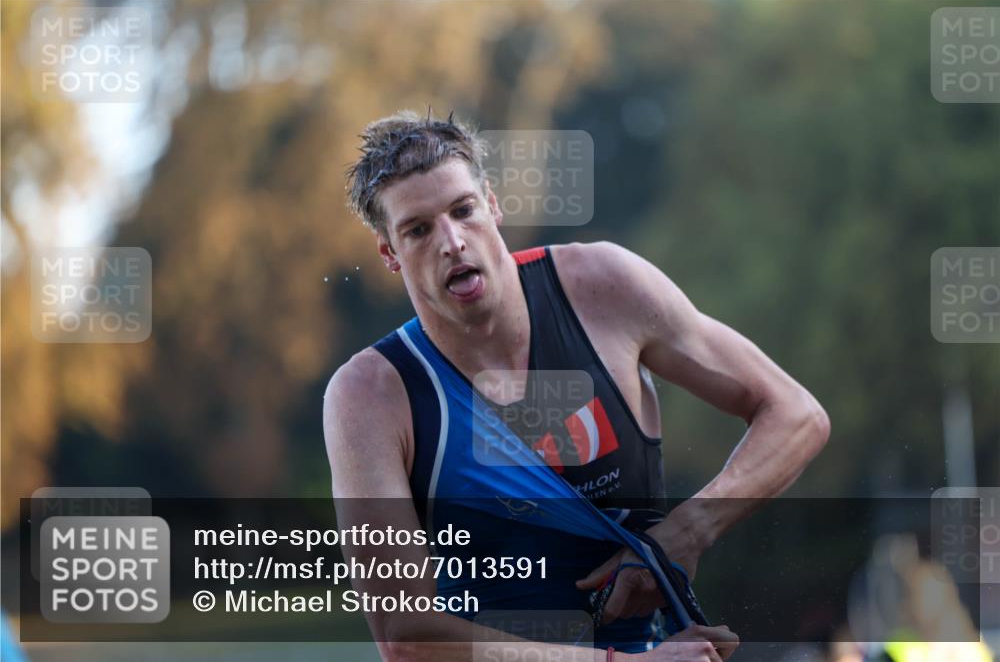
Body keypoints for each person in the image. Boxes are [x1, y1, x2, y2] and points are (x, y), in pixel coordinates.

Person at [323, 109, 830, 662]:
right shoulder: (369, 395)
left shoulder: (604, 289)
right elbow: (406, 638)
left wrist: (688, 530)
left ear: (491, 204)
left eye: (463, 211)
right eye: (418, 230)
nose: (452, 242)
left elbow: (796, 414)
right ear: (389, 254)